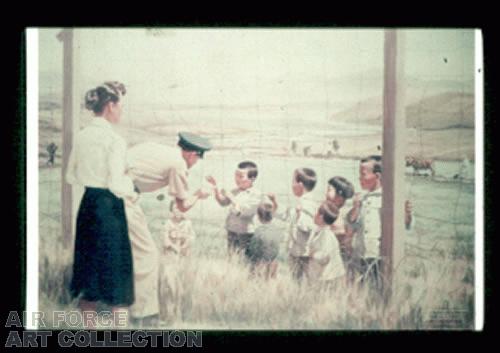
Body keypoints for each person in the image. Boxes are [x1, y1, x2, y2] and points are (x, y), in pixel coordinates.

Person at [66, 81, 136, 329]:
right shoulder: (114, 140)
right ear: (110, 106)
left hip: (88, 207)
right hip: (109, 209)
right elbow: (117, 184)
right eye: (120, 106)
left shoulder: (82, 136)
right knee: (117, 275)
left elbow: (70, 176)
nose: (121, 112)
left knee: (89, 275)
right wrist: (132, 185)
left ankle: (89, 335)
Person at [124, 131, 212, 327]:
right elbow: (182, 206)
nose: (194, 163)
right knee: (147, 255)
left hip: (109, 192)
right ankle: (143, 316)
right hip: (124, 197)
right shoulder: (179, 164)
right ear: (192, 154)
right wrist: (199, 194)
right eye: (197, 159)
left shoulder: (157, 147)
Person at [206, 161, 261, 256]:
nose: (237, 179)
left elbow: (245, 212)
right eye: (236, 175)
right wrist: (216, 188)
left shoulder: (256, 194)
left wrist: (231, 197)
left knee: (244, 259)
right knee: (231, 256)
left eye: (241, 176)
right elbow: (223, 202)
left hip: (245, 233)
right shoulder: (235, 191)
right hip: (231, 230)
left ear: (252, 179)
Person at [274, 168, 317, 282]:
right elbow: (287, 215)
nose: (291, 185)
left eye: (293, 181)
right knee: (296, 280)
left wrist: (299, 215)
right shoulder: (300, 201)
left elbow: (308, 227)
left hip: (303, 253)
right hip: (296, 250)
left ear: (300, 184)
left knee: (301, 281)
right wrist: (274, 204)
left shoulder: (308, 204)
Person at [159, 201, 196, 321]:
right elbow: (165, 241)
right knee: (170, 286)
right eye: (175, 208)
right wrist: (175, 247)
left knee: (183, 287)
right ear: (171, 210)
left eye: (181, 208)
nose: (178, 211)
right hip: (170, 259)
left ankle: (181, 314)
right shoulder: (168, 223)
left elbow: (192, 237)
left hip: (184, 258)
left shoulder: (188, 223)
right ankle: (168, 314)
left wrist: (185, 245)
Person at [307, 201, 345, 289]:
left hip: (327, 277)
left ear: (321, 217)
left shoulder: (326, 235)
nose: (314, 214)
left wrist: (313, 255)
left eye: (317, 212)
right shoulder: (318, 230)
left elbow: (325, 257)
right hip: (320, 274)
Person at [245, 196, 284, 279]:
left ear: (258, 217)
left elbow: (253, 249)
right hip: (274, 263)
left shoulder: (259, 231)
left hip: (260, 264)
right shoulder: (277, 230)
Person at [325, 176, 355, 275]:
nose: (325, 193)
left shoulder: (343, 215)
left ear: (339, 196)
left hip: (339, 260)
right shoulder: (327, 211)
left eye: (329, 190)